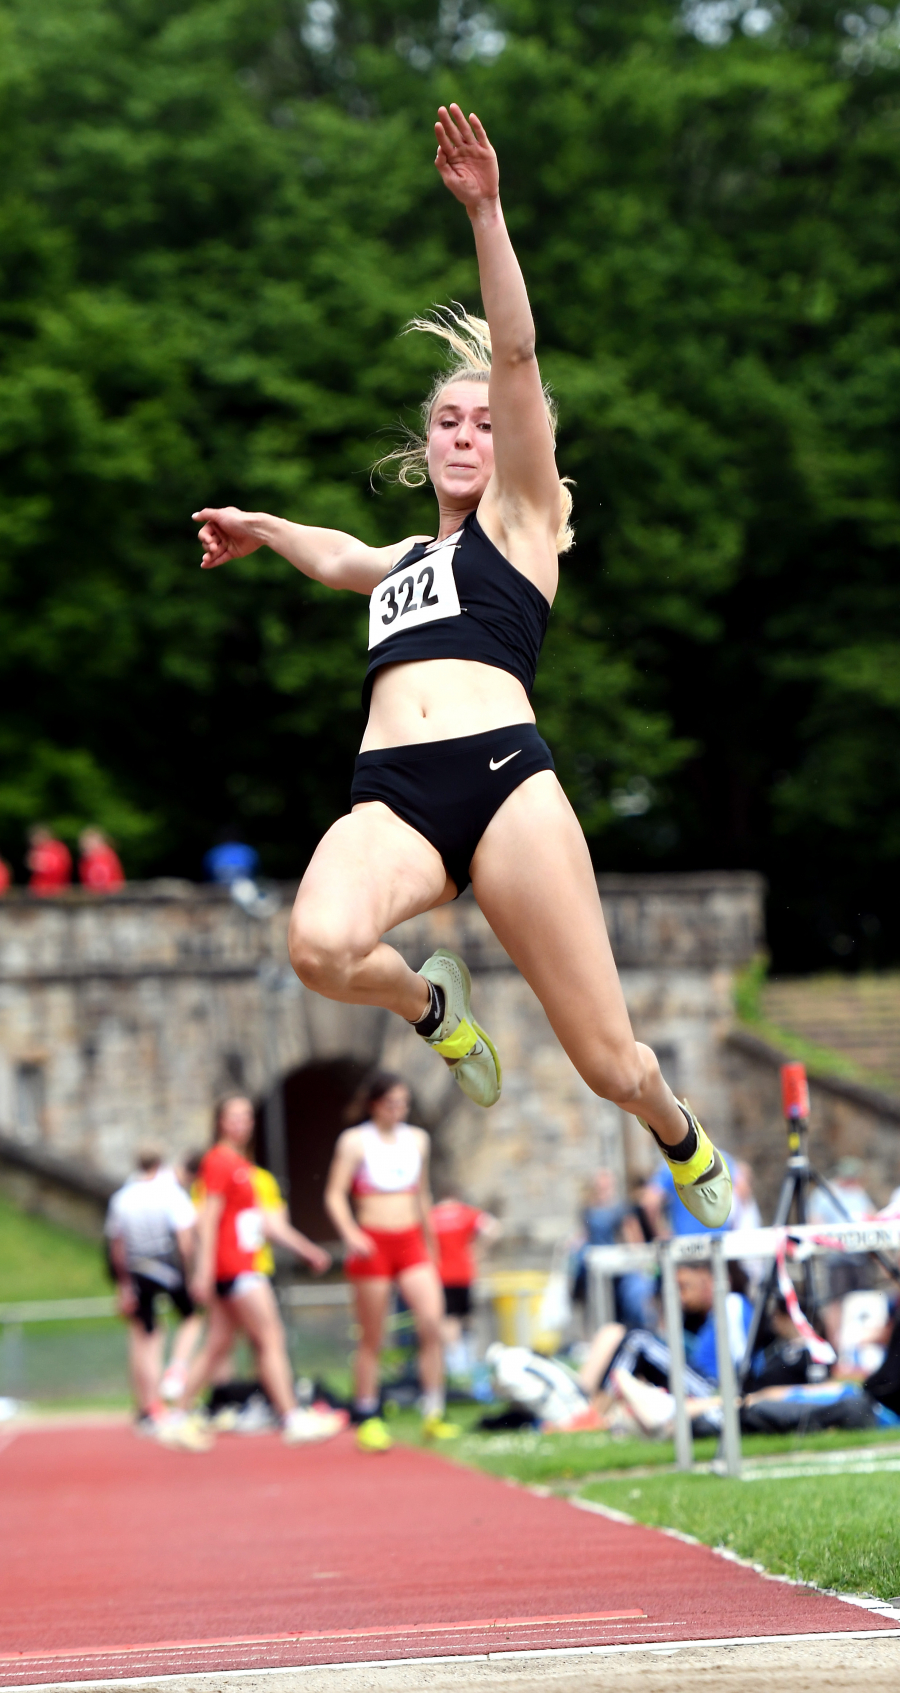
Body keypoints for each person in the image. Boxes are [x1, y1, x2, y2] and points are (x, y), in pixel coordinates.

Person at [192, 104, 731, 1233]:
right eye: (448, 419)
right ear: (424, 441)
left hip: (505, 783)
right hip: (395, 797)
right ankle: (437, 1007)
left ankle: (678, 1131)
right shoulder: (403, 557)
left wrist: (485, 210)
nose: (466, 432)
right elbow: (343, 555)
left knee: (608, 1061)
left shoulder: (523, 523)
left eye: (485, 421)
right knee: (321, 945)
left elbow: (520, 352)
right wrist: (263, 527)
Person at [175, 1095, 344, 1446]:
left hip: (238, 1266)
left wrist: (307, 1250)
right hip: (237, 1268)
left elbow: (267, 1224)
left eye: (247, 1117)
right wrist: (203, 1271)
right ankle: (291, 1416)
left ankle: (178, 1414)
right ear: (220, 1121)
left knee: (218, 1344)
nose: (242, 1123)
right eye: (234, 1116)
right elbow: (207, 1219)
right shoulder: (220, 1162)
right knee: (271, 1338)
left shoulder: (241, 1165)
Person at [324, 1071, 458, 1450]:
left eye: (404, 1103)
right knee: (373, 1335)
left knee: (431, 1321)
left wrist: (432, 1246)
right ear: (375, 1104)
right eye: (391, 1103)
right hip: (374, 1242)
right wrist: (351, 1234)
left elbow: (423, 1194)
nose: (398, 1110)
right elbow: (334, 1195)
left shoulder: (417, 1140)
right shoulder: (355, 1142)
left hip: (411, 1241)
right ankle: (367, 1414)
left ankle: (433, 1411)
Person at [105, 1146, 202, 1435]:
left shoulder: (122, 1197)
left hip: (137, 1271)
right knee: (192, 1318)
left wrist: (123, 1286)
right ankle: (177, 1367)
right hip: (166, 1266)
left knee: (145, 1337)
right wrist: (193, 1274)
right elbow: (186, 1241)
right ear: (160, 1163)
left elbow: (117, 1248)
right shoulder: (171, 1193)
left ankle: (149, 1406)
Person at [430, 1183, 500, 1371]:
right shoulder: (466, 1213)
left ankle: (456, 1361)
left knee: (448, 1318)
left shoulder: (431, 1216)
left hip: (440, 1274)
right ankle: (467, 1359)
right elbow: (493, 1227)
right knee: (466, 1317)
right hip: (464, 1273)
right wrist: (478, 1250)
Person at [26, 825, 71, 895]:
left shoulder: (58, 848)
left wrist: (41, 865)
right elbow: (30, 865)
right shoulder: (37, 850)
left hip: (57, 889)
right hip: (38, 889)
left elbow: (62, 868)